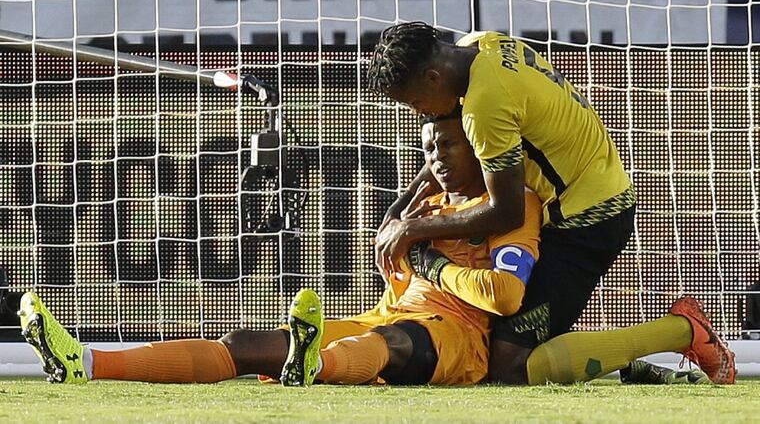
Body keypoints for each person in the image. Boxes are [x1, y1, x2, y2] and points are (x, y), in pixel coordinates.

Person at [17, 113, 543, 387]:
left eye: (448, 145)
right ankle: (88, 361)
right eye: (428, 148)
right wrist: (412, 216)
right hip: (389, 313)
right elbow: (396, 227)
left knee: (391, 345)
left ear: (479, 145)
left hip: (458, 339)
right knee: (245, 342)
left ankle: (312, 363)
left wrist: (427, 257)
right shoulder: (424, 208)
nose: (437, 158)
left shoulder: (511, 203)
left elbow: (506, 295)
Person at [367, 22, 735, 384]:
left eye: (414, 102)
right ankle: (626, 365)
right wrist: (398, 211)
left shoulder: (485, 106)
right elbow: (461, 148)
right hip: (590, 190)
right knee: (503, 331)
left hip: (586, 220)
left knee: (509, 364)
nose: (418, 112)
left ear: (433, 77)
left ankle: (682, 331)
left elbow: (505, 211)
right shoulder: (482, 44)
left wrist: (415, 230)